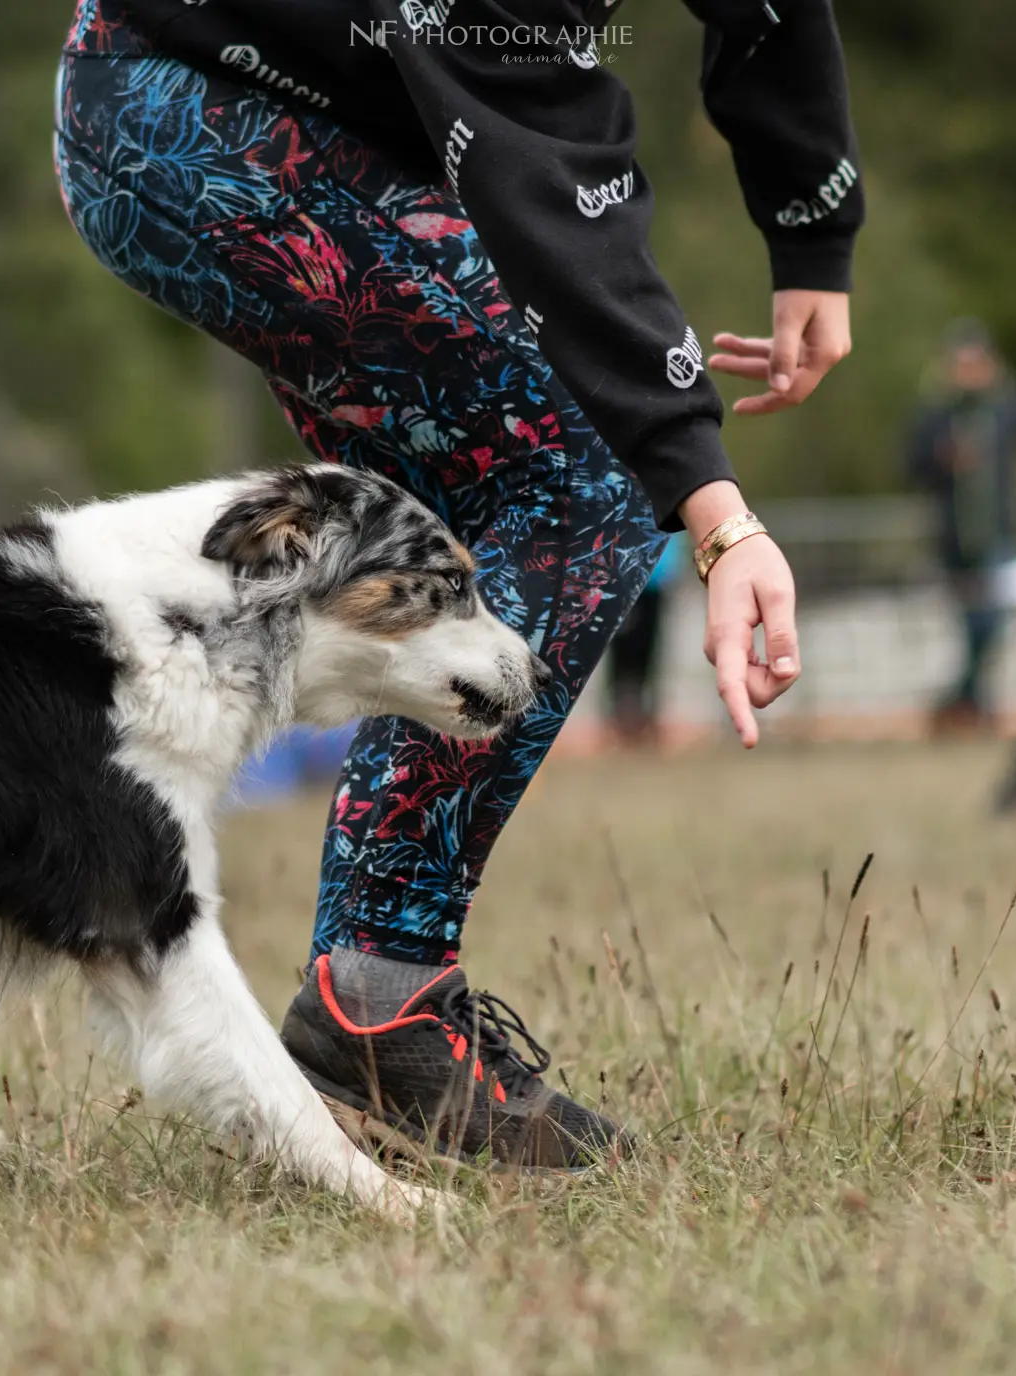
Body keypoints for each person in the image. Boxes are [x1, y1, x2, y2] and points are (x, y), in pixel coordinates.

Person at [55, 0, 861, 1167]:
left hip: (360, 100)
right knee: (581, 472)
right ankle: (372, 995)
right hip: (184, 105)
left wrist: (810, 226)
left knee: (469, 484)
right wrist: (719, 514)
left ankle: (358, 1008)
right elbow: (548, 188)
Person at [906, 320, 1016, 729]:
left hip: (1000, 535)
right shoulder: (935, 415)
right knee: (972, 625)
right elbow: (911, 467)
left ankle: (963, 701)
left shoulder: (1008, 406)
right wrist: (943, 461)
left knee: (992, 622)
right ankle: (968, 702)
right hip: (955, 542)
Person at [605, 535, 686, 748]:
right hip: (623, 581)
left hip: (655, 582)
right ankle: (621, 720)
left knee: (649, 653)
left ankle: (644, 720)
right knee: (622, 653)